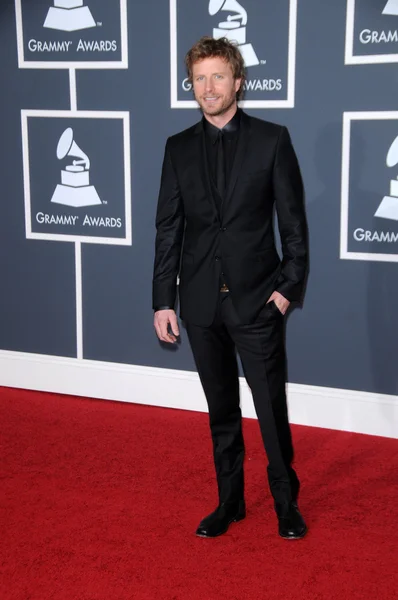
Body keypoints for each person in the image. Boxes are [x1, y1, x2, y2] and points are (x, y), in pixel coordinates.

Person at [152, 36, 308, 539]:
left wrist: (286, 289)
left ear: (238, 81)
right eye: (199, 78)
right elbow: (169, 228)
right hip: (199, 304)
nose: (208, 87)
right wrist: (163, 301)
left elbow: (294, 226)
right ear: (191, 85)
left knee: (270, 410)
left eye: (218, 76)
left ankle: (286, 502)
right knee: (221, 410)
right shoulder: (177, 147)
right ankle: (230, 502)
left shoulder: (272, 140)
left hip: (258, 300)